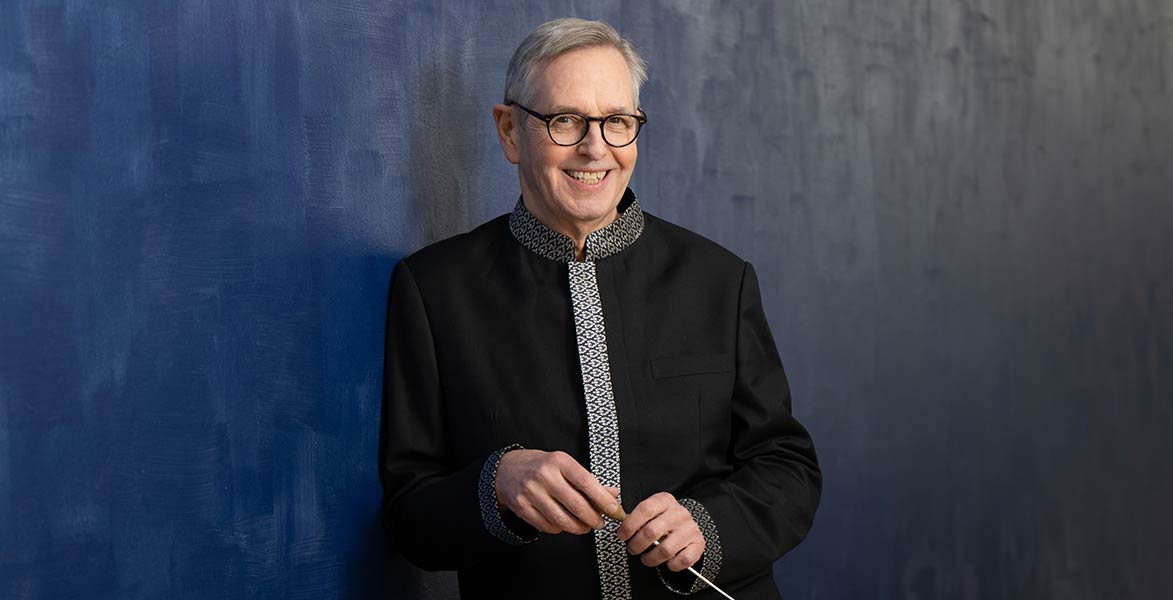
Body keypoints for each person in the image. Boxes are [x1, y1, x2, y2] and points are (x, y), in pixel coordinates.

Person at [380, 18, 821, 599]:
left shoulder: (720, 279)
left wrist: (707, 526)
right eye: (565, 120)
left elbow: (787, 467)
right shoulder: (433, 289)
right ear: (510, 131)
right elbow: (410, 518)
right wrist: (495, 485)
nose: (596, 148)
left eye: (617, 121)